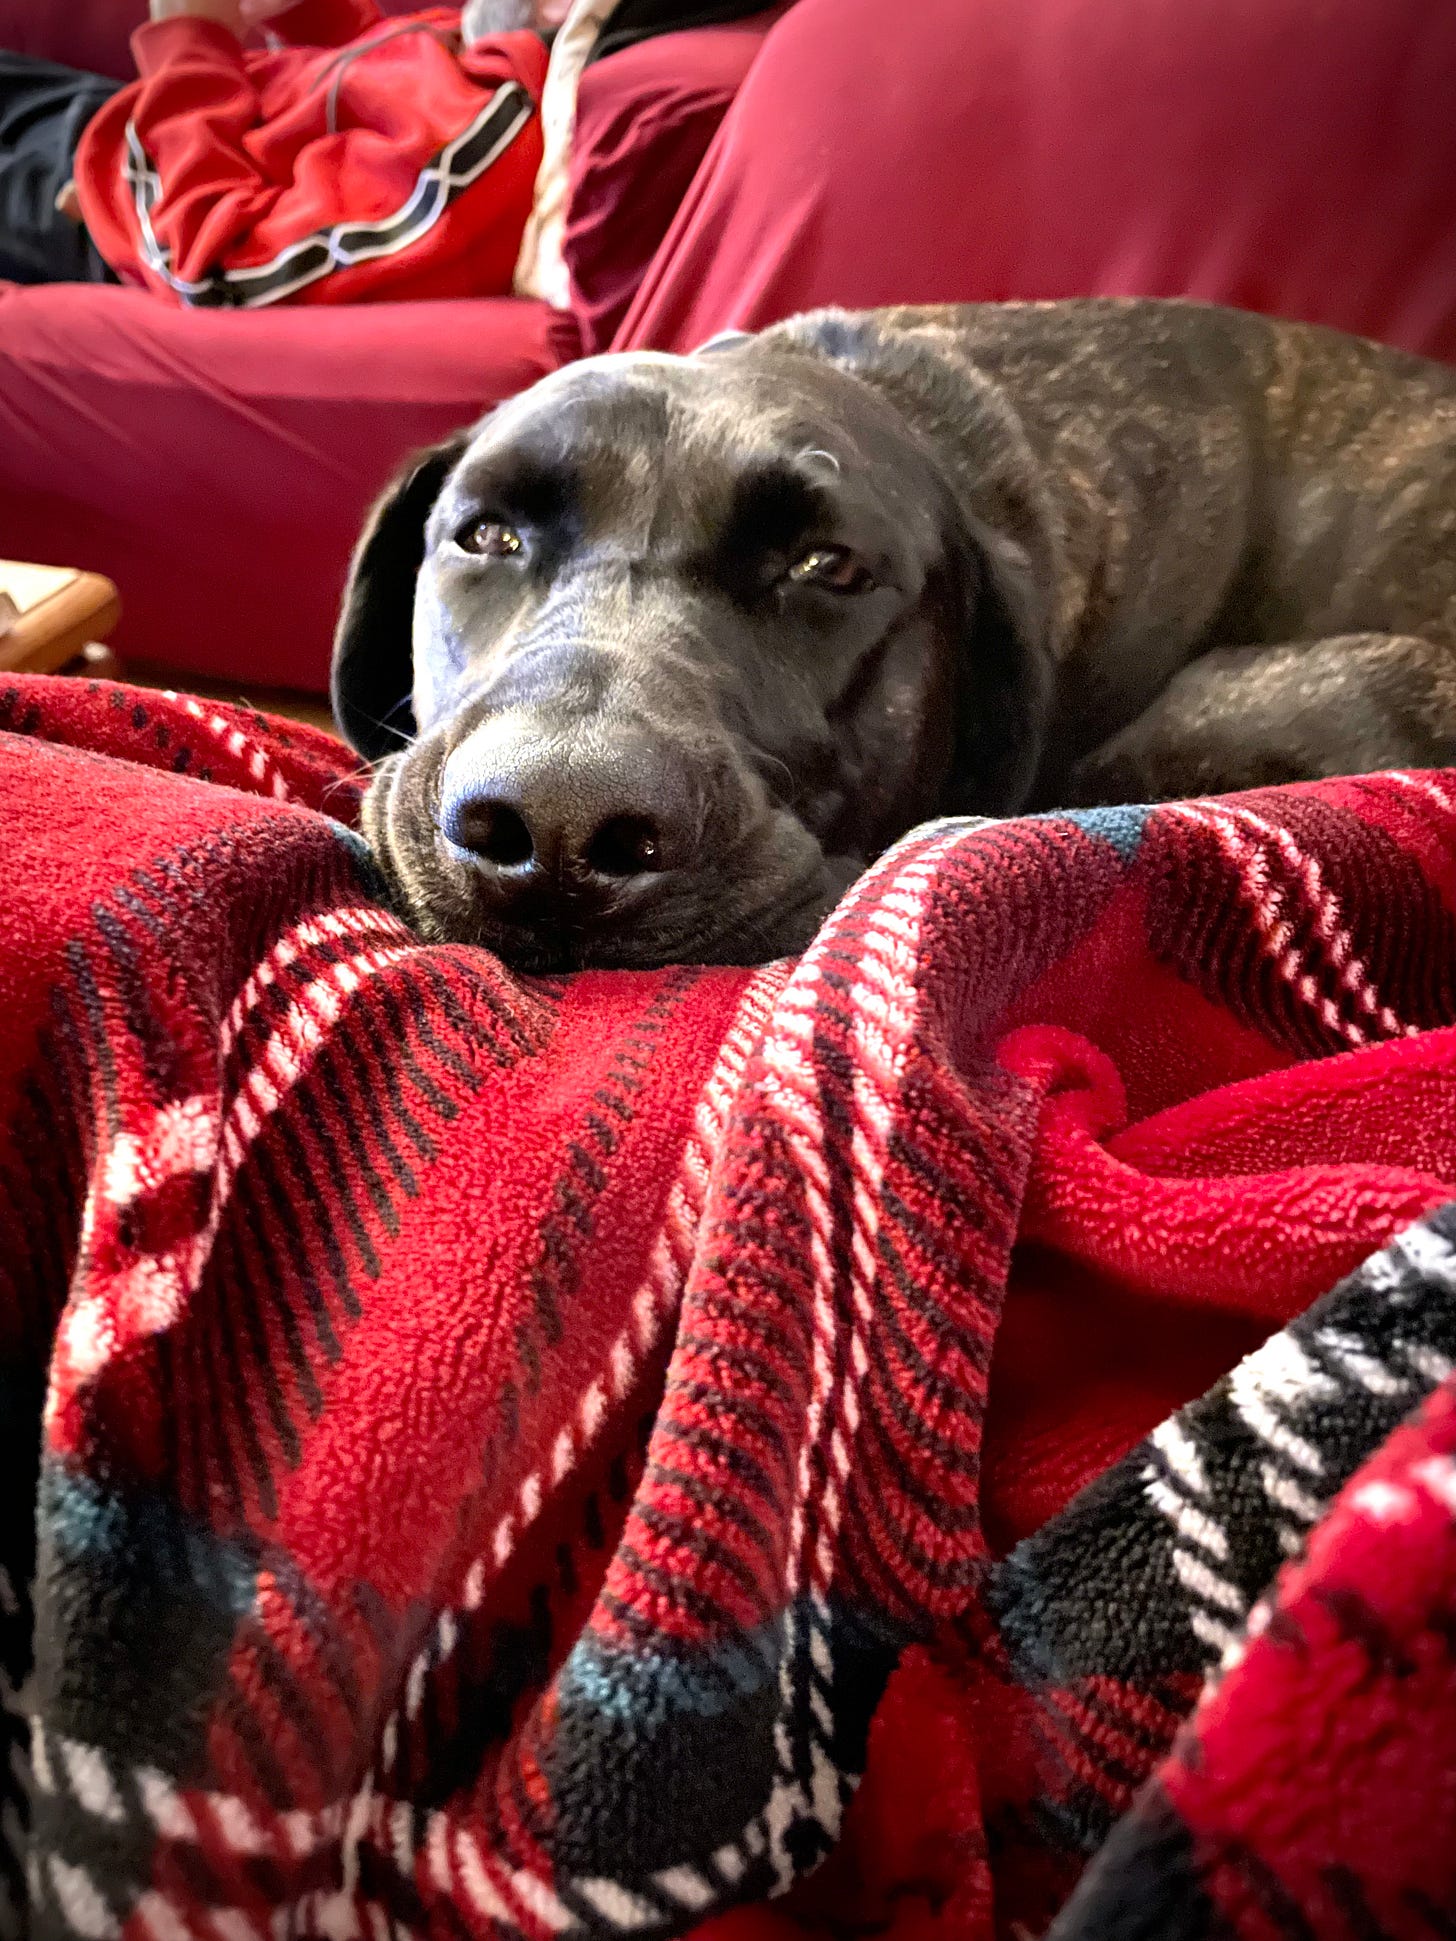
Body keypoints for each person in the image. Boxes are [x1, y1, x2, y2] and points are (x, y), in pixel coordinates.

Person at [0, 0, 553, 303]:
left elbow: (215, 268)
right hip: (133, 130)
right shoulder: (495, 48)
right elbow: (367, 80)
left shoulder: (486, 155)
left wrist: (189, 37)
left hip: (108, 218)